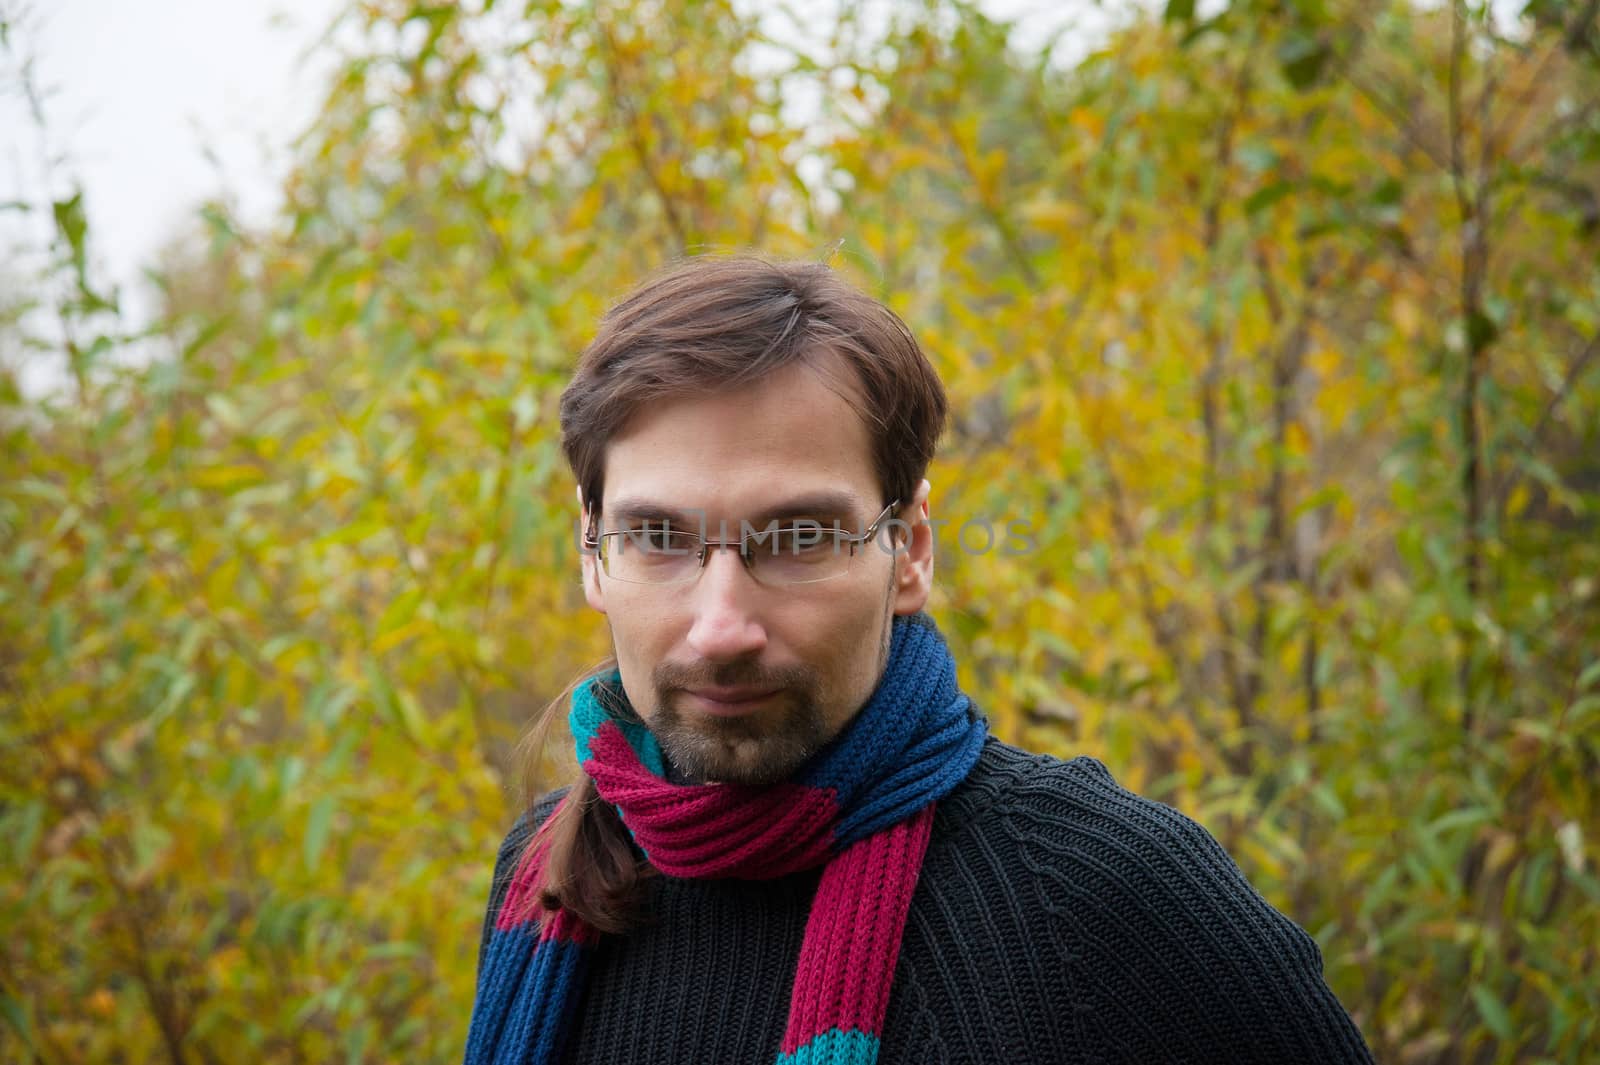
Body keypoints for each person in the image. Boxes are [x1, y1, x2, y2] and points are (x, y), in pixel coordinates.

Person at [463, 257, 1376, 1065]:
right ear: (591, 553)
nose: (721, 626)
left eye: (799, 536)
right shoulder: (548, 875)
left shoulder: (1102, 894)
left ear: (910, 552)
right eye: (658, 536)